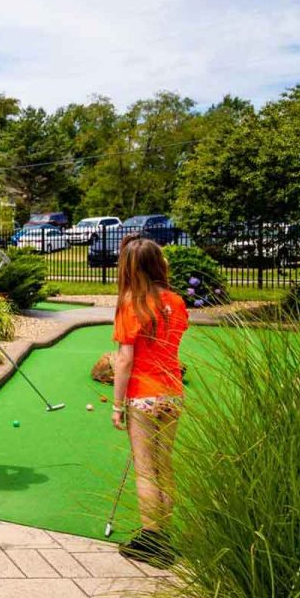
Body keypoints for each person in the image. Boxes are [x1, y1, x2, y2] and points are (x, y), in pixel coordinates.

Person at [111, 235, 189, 567]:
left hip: (142, 395)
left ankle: (151, 539)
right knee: (164, 466)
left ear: (129, 268)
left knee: (145, 469)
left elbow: (125, 360)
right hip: (172, 393)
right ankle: (165, 535)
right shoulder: (177, 301)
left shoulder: (131, 303)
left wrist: (117, 405)